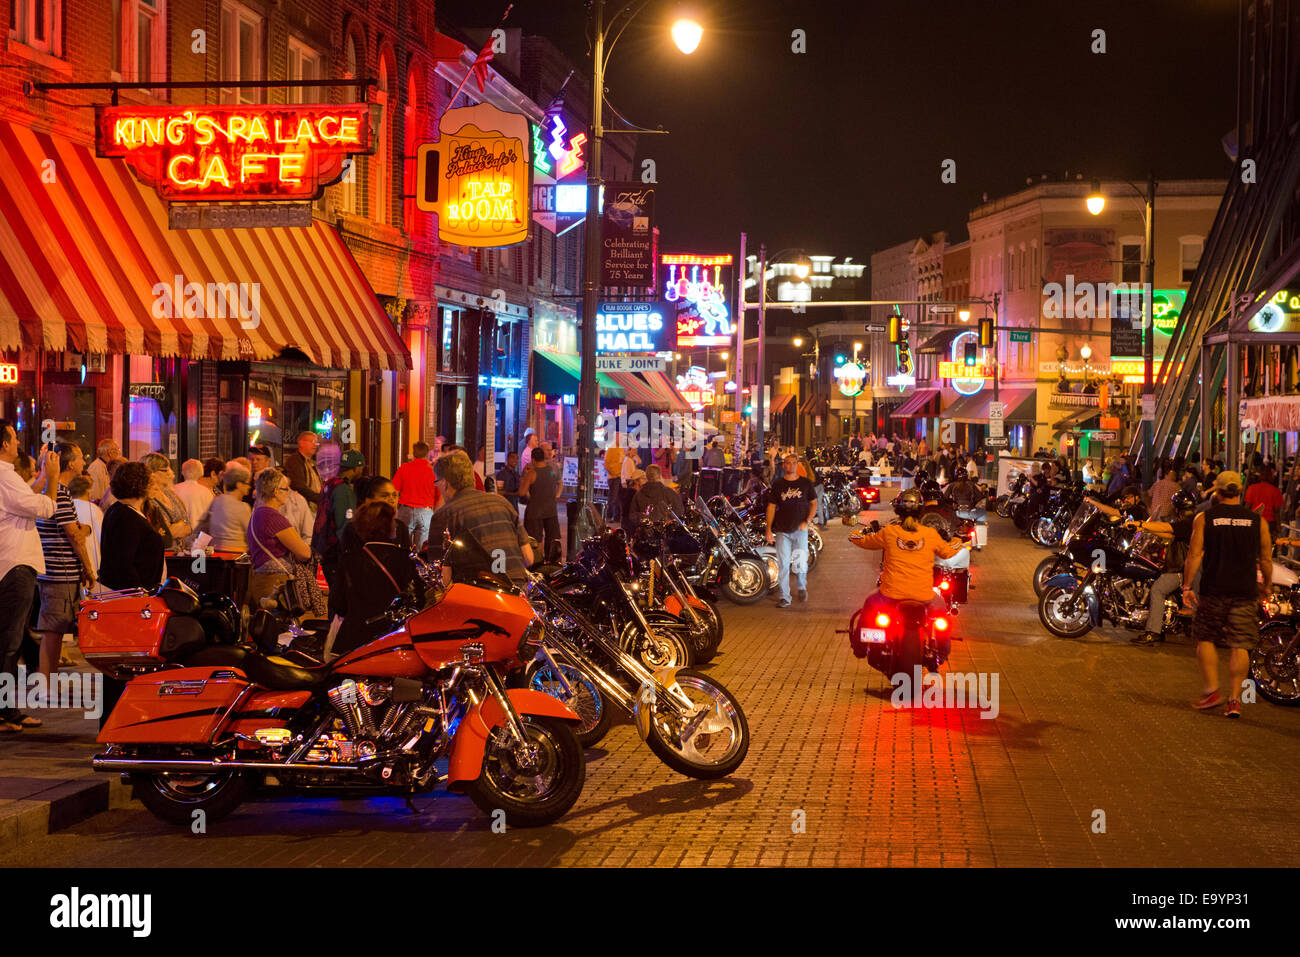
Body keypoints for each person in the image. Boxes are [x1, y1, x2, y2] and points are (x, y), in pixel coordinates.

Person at [1183, 471, 1271, 718]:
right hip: (1244, 591)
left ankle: (1211, 690)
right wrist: (1268, 585)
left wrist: (1187, 587)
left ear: (1218, 493)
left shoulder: (1205, 518)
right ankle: (1235, 699)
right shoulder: (1257, 522)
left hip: (1214, 589)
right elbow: (1265, 558)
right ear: (1240, 492)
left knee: (1205, 638)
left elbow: (1195, 555)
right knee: (1240, 644)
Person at [97, 460, 168, 727]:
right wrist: (140, 597)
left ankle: (118, 721)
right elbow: (123, 563)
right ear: (143, 485)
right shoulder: (126, 517)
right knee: (127, 668)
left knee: (122, 668)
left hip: (128, 599)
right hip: (130, 603)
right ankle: (121, 723)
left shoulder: (120, 512)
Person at [0, 427, 59, 732]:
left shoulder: (9, 479)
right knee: (9, 643)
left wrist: (38, 481)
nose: (19, 443)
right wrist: (52, 479)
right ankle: (5, 712)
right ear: (5, 443)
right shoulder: (5, 476)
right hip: (14, 566)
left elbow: (22, 500)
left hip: (7, 566)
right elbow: (45, 509)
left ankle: (6, 710)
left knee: (10, 640)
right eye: (14, 437)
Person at [848, 488, 965, 637]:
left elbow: (863, 541)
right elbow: (949, 551)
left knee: (870, 604)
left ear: (898, 509)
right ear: (921, 509)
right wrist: (957, 539)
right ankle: (942, 650)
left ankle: (861, 645)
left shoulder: (889, 532)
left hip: (891, 593)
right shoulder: (930, 534)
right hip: (923, 595)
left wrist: (855, 534)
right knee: (943, 614)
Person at [328, 501, 425, 657]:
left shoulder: (348, 559)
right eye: (393, 520)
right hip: (391, 639)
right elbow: (417, 601)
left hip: (352, 640)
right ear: (384, 525)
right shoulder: (404, 559)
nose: (396, 524)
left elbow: (337, 603)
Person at [35, 442, 96, 686]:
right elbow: (74, 533)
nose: (84, 462)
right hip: (57, 572)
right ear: (70, 463)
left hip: (61, 571)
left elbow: (76, 529)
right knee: (54, 630)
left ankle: (48, 681)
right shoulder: (58, 493)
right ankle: (45, 684)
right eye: (81, 457)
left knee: (58, 630)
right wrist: (89, 568)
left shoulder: (60, 492)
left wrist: (83, 529)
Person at [428, 450, 533, 584]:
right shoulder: (502, 502)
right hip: (517, 593)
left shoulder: (443, 516)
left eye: (437, 483)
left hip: (479, 596)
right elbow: (528, 558)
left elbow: (443, 579)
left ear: (445, 483)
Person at [1128, 490, 1198, 646]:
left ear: (1178, 508)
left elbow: (1168, 529)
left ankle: (1153, 632)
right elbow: (1169, 534)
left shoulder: (1188, 522)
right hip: (1180, 568)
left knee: (1157, 590)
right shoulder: (1189, 521)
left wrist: (1140, 524)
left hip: (1182, 571)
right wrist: (1144, 529)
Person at [245, 468, 317, 614]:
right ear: (276, 492)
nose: (288, 492)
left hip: (260, 581)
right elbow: (304, 553)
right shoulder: (273, 517)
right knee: (281, 631)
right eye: (285, 489)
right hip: (275, 585)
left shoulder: (257, 514)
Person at [765, 452, 818, 608]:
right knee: (783, 564)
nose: (791, 465)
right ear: (784, 465)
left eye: (793, 463)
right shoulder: (778, 484)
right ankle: (785, 597)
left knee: (801, 561)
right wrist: (768, 529)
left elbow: (814, 503)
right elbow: (771, 507)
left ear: (797, 465)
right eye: (787, 463)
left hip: (800, 529)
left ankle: (801, 586)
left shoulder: (806, 484)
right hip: (782, 530)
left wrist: (807, 521)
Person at [313, 449, 365, 590]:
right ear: (356, 468)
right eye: (361, 468)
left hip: (324, 548)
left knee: (334, 595)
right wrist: (349, 552)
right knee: (341, 595)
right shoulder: (344, 490)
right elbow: (344, 524)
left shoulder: (329, 484)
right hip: (336, 552)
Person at [392, 440, 442, 553]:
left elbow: (394, 490)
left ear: (413, 453)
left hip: (405, 510)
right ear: (427, 453)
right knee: (421, 549)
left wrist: (395, 509)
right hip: (426, 511)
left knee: (402, 544)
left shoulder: (404, 468)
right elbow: (439, 496)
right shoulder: (433, 471)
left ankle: (404, 567)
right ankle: (417, 568)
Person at [342, 476, 411, 553]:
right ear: (368, 501)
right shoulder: (355, 528)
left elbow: (406, 558)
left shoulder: (400, 527)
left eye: (394, 495)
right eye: (385, 496)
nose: (392, 500)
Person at [520, 446, 563, 563]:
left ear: (533, 459)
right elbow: (559, 483)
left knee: (536, 540)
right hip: (551, 510)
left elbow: (522, 492)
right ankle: (552, 563)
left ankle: (538, 563)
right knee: (553, 537)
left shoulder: (531, 473)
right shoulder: (551, 470)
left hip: (535, 511)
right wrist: (556, 495)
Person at [142, 453, 192, 551]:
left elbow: (189, 527)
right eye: (165, 470)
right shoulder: (147, 499)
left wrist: (178, 526)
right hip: (162, 552)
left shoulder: (169, 494)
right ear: (152, 472)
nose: (170, 473)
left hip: (179, 552)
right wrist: (180, 524)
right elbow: (164, 534)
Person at [196, 467, 253, 553]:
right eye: (247, 483)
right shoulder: (243, 507)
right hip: (237, 553)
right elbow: (250, 534)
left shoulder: (216, 500)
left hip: (216, 551)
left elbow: (204, 524)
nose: (249, 487)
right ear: (239, 485)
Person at [68, 475, 104, 595]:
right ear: (88, 491)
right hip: (92, 565)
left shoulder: (66, 507)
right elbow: (101, 538)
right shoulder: (93, 509)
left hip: (71, 566)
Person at [282, 431, 323, 516]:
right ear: (301, 443)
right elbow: (298, 486)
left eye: (316, 442)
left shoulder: (312, 463)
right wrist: (319, 498)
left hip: (314, 508)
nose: (315, 445)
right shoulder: (294, 461)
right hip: (301, 510)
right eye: (312, 442)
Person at [172, 458, 216, 528]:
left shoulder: (174, 489)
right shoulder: (206, 492)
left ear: (183, 472)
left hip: (180, 532)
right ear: (201, 472)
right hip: (199, 533)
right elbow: (211, 517)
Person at [1244, 470, 1284, 542]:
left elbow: (1247, 506)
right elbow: (1276, 511)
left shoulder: (1252, 488)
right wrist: (1278, 526)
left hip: (1255, 521)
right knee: (1267, 544)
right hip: (1269, 522)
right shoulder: (1275, 490)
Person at [85, 438, 122, 506]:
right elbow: (94, 496)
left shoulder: (104, 466)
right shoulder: (96, 468)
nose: (119, 454)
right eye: (118, 450)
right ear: (110, 452)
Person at [604, 441, 625, 523]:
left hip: (619, 476)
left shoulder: (621, 449)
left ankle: (616, 516)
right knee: (614, 497)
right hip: (614, 477)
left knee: (618, 497)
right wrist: (613, 473)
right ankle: (610, 516)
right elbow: (606, 463)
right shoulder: (611, 449)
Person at [619, 446, 641, 520]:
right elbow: (628, 475)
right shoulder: (628, 460)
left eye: (636, 450)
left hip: (628, 484)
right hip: (628, 485)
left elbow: (639, 461)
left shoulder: (630, 460)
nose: (636, 452)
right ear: (629, 451)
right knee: (627, 505)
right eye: (634, 450)